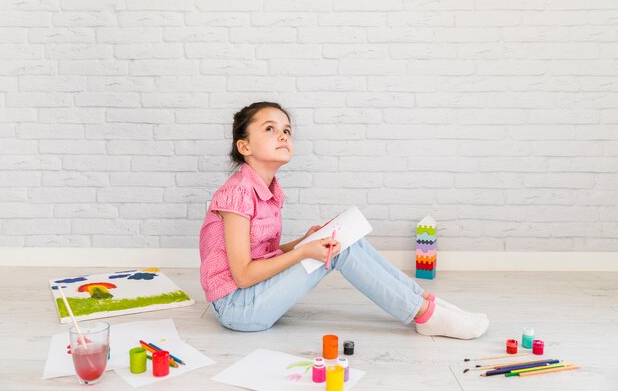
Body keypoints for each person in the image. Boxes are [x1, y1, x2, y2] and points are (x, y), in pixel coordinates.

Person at [199, 101, 489, 339]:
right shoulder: (237, 194)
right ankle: (424, 314)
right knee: (342, 249)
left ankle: (424, 303)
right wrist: (304, 252)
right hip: (239, 308)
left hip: (254, 294)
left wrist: (304, 241)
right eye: (270, 129)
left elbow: (261, 256)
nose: (283, 135)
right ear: (244, 146)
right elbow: (244, 275)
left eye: (287, 130)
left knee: (341, 238)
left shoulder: (269, 192)